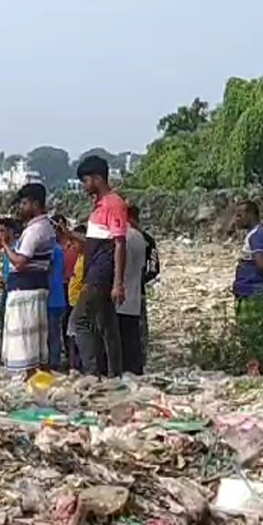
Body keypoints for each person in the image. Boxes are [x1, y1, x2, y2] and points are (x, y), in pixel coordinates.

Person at [66, 156, 129, 377]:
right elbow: (97, 241)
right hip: (95, 271)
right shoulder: (100, 207)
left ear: (98, 178)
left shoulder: (113, 204)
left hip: (99, 275)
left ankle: (92, 373)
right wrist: (69, 235)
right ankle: (113, 374)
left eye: (85, 181)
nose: (84, 186)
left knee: (78, 322)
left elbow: (119, 244)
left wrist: (118, 283)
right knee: (106, 325)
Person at [0, 183, 55, 377]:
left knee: (24, 339)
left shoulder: (34, 231)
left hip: (26, 290)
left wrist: (5, 246)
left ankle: (26, 376)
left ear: (35, 203)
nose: (21, 208)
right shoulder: (46, 227)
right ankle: (34, 374)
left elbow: (21, 262)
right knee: (34, 338)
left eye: (24, 203)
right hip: (36, 286)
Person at [232, 200, 263, 328]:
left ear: (250, 215)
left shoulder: (257, 236)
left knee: (251, 331)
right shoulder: (257, 234)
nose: (236, 219)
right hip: (250, 290)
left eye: (239, 215)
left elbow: (260, 263)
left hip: (253, 291)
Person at [116, 220, 148, 375]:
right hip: (133, 295)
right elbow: (143, 267)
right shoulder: (139, 237)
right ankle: (136, 370)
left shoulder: (120, 238)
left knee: (120, 338)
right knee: (132, 337)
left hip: (118, 297)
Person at [129, 204, 158, 360]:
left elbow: (154, 268)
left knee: (135, 326)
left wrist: (138, 280)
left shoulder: (146, 241)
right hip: (136, 290)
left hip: (133, 291)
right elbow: (154, 269)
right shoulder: (148, 240)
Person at [46, 217, 69, 372]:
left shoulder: (52, 250)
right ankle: (54, 360)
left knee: (51, 333)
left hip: (51, 297)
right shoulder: (60, 249)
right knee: (55, 332)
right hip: (59, 296)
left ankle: (53, 362)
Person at [64, 224, 86, 371]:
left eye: (74, 241)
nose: (71, 244)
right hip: (73, 301)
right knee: (71, 335)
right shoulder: (79, 258)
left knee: (76, 336)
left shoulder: (87, 258)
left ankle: (79, 367)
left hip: (79, 302)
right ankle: (74, 366)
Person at [0, 217, 23, 325]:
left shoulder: (17, 248)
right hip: (5, 289)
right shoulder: (3, 250)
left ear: (10, 231)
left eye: (1, 231)